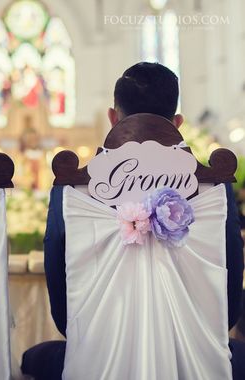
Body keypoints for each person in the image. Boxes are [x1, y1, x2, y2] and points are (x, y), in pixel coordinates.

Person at [21, 62, 245, 379]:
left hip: (95, 357)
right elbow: (231, 281)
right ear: (178, 123)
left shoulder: (72, 187)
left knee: (33, 359)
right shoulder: (214, 184)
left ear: (113, 118)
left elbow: (60, 286)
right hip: (199, 357)